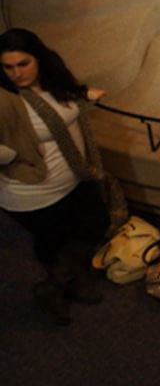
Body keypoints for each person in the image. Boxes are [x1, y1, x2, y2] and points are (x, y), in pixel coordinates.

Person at [0, 28, 115, 325]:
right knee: (53, 242)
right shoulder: (6, 100)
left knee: (96, 222)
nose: (16, 74)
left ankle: (62, 281)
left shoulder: (54, 82)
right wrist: (12, 154)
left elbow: (66, 102)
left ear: (38, 59)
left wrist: (84, 94)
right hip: (34, 194)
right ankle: (60, 285)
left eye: (23, 64)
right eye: (8, 67)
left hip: (75, 176)